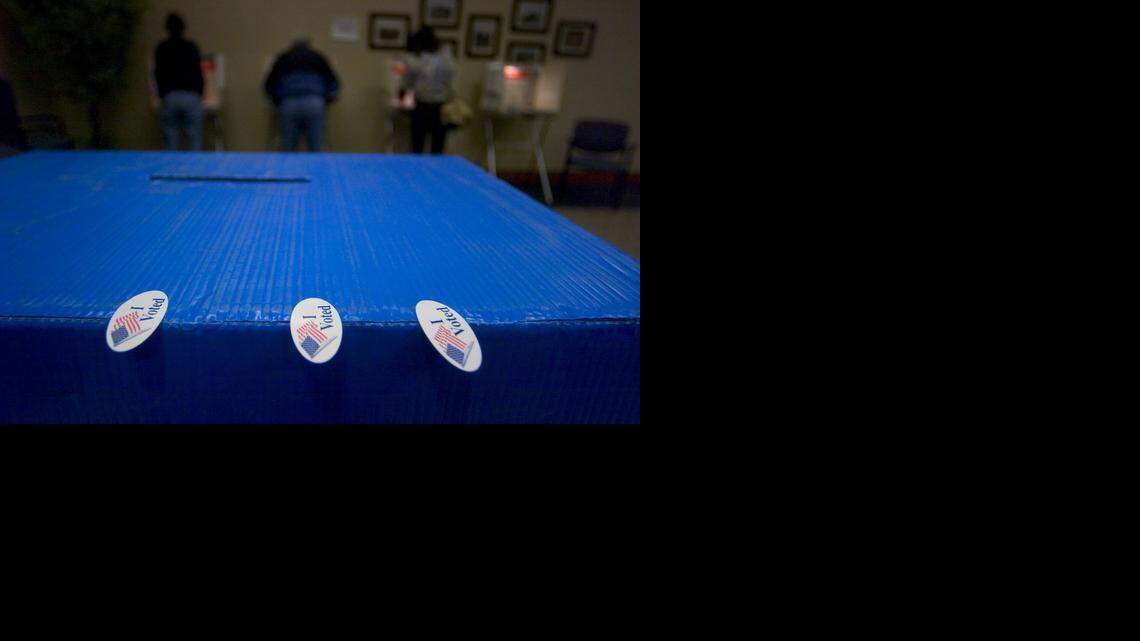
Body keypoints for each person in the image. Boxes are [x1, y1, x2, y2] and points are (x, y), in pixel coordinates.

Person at [264, 37, 339, 152]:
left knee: (288, 148)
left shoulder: (283, 58)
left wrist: (277, 102)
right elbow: (334, 85)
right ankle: (316, 169)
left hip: (289, 104)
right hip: (315, 103)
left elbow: (268, 86)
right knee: (316, 148)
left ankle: (288, 169)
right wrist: (326, 101)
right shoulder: (318, 57)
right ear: (309, 46)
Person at [154, 13, 205, 151]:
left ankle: (172, 170)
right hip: (191, 96)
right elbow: (199, 73)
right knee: (194, 141)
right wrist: (199, 93)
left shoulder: (162, 48)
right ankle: (195, 170)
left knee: (170, 140)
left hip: (170, 96)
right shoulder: (191, 47)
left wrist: (162, 95)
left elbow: (158, 74)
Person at [401, 26, 455, 154]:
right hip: (433, 103)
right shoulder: (444, 55)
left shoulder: (418, 58)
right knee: (432, 144)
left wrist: (405, 101)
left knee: (422, 144)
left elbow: (408, 82)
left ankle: (420, 169)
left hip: (429, 104)